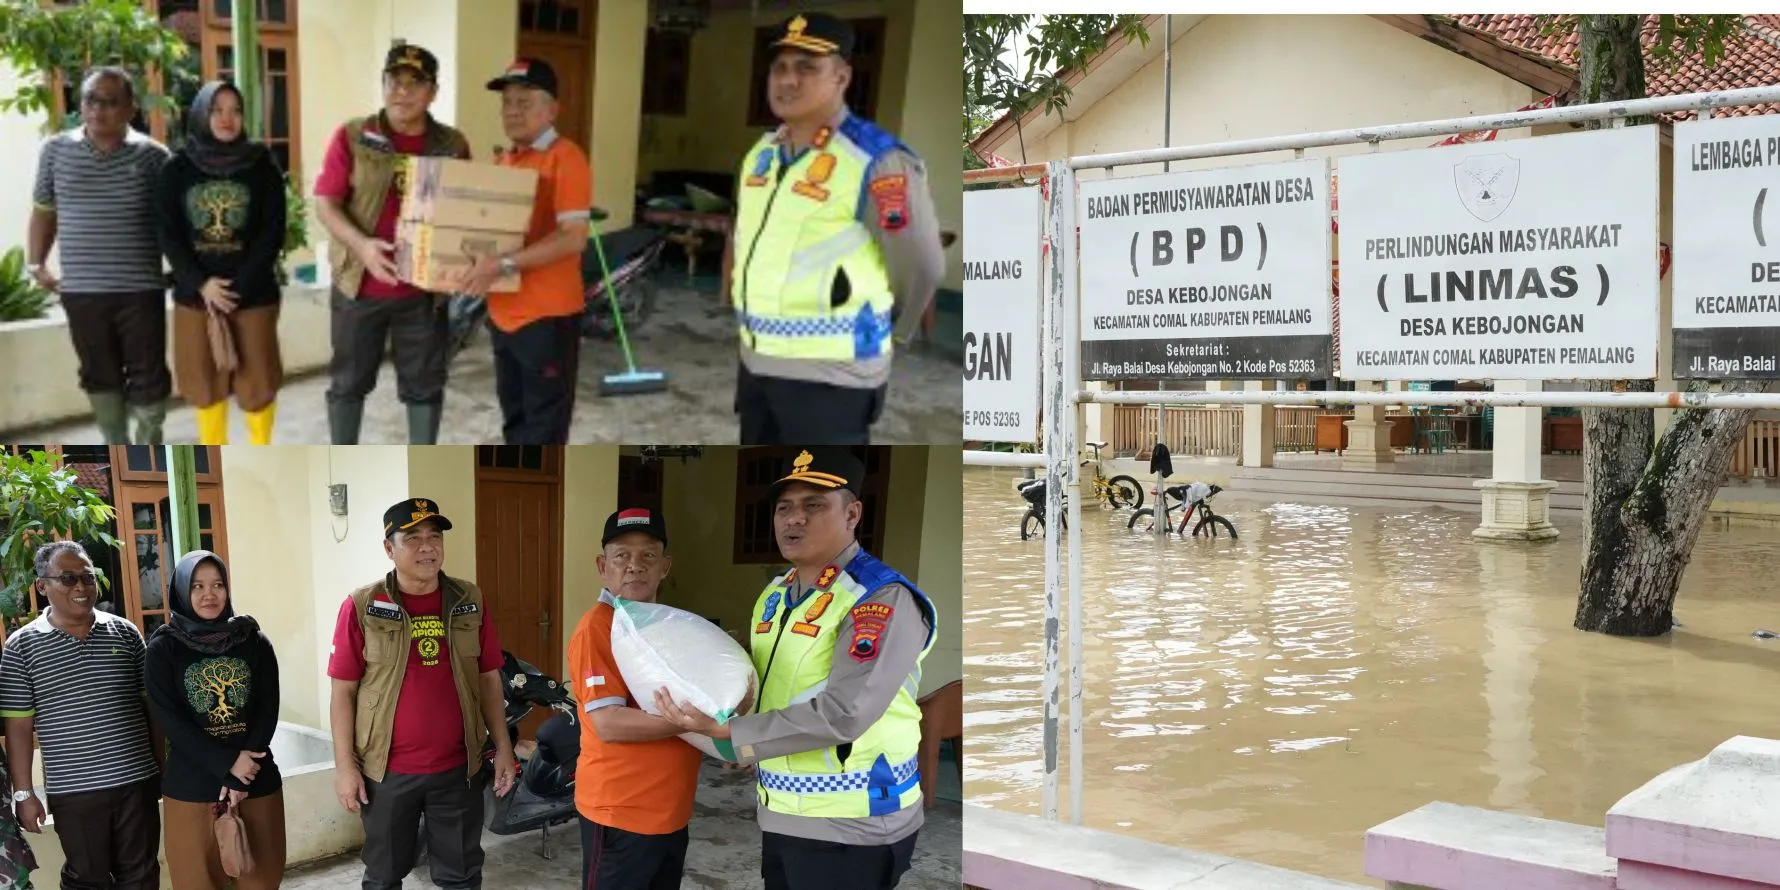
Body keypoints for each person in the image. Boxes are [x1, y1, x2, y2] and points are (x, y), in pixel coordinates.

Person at [657, 448, 938, 889]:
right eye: (784, 508)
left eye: (814, 505)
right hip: (783, 811)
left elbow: (845, 712)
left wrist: (735, 734)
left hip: (854, 824)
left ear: (852, 514)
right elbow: (770, 687)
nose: (794, 519)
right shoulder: (776, 594)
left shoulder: (878, 598)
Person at [723, 13, 946, 445]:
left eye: (807, 68)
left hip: (832, 377)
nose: (788, 80)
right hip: (757, 364)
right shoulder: (762, 154)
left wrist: (892, 335)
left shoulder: (876, 159)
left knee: (820, 483)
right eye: (780, 68)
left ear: (841, 77)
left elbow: (921, 265)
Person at [327, 498, 517, 890]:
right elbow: (343, 691)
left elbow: (488, 678)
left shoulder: (469, 600)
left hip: (459, 770)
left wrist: (503, 747)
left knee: (461, 876)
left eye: (434, 536)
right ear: (389, 548)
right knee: (383, 876)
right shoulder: (363, 606)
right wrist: (345, 766)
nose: (427, 547)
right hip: (387, 773)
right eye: (412, 538)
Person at [313, 44, 472, 445]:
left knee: (425, 387)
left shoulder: (453, 145)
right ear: (383, 85)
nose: (402, 91)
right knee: (348, 383)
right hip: (358, 287)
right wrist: (363, 246)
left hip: (423, 294)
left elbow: (465, 211)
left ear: (433, 92)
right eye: (394, 81)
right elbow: (326, 203)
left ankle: (422, 469)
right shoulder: (353, 135)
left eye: (414, 83)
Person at [0, 542, 165, 889]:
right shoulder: (21, 647)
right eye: (68, 578)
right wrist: (24, 794)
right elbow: (19, 726)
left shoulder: (126, 632)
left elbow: (151, 708)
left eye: (88, 578)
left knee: (141, 875)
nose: (81, 586)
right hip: (75, 792)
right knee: (86, 879)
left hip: (136, 783)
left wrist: (161, 767)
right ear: (42, 586)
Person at [26, 66, 174, 444]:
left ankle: (147, 452)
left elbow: (172, 223)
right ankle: (116, 452)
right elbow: (44, 211)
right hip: (83, 292)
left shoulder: (154, 157)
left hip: (140, 292)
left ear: (130, 109)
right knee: (98, 375)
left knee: (149, 378)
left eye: (109, 102)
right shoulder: (55, 151)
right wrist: (36, 263)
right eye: (90, 100)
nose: (97, 110)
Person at [564, 508, 709, 889]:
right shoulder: (598, 628)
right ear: (603, 566)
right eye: (621, 556)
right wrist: (702, 724)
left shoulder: (670, 626)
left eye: (648, 555)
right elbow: (609, 723)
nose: (635, 566)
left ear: (665, 566)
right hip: (620, 813)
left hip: (671, 812)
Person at [461, 57, 593, 445]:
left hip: (546, 318)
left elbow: (573, 237)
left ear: (552, 110)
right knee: (514, 421)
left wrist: (502, 264)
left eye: (525, 102)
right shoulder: (504, 160)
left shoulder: (566, 158)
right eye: (507, 102)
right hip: (503, 314)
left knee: (544, 428)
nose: (513, 111)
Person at [156, 80, 290, 446]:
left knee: (258, 381)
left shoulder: (262, 165)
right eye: (216, 110)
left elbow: (272, 231)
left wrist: (238, 287)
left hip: (253, 295)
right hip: (196, 297)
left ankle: (261, 453)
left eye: (235, 110)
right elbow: (168, 233)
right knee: (203, 382)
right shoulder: (176, 169)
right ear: (201, 114)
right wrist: (202, 284)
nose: (226, 119)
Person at [144, 550, 287, 889]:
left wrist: (243, 771)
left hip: (256, 783)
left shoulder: (253, 640)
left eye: (217, 584)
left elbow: (268, 708)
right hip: (192, 789)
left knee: (262, 880)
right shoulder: (163, 649)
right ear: (182, 591)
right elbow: (170, 720)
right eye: (197, 586)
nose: (209, 594)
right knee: (197, 881)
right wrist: (228, 764)